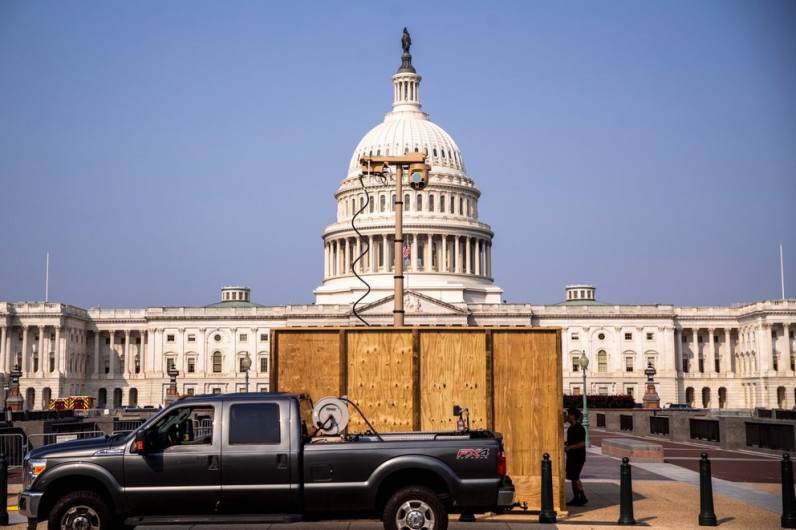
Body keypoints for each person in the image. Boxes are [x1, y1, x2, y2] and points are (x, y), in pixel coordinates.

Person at [564, 407, 588, 506]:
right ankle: (576, 497)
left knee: (575, 476)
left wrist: (569, 447)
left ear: (573, 416)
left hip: (578, 456)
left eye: (569, 414)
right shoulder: (571, 428)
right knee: (572, 477)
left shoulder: (579, 428)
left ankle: (582, 497)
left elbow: (582, 443)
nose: (567, 416)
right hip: (571, 456)